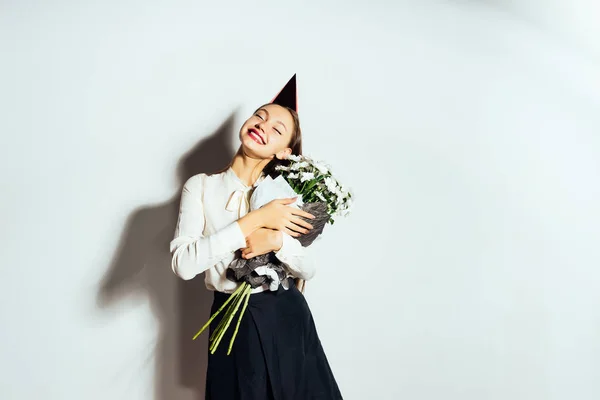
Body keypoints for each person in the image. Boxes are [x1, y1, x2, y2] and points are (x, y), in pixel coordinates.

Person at [170, 75, 344, 399]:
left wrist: (277, 242)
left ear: (283, 153)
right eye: (260, 116)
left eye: (277, 129)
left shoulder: (287, 195)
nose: (263, 125)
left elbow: (308, 270)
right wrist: (254, 221)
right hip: (232, 325)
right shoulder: (202, 186)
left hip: (286, 315)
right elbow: (183, 264)